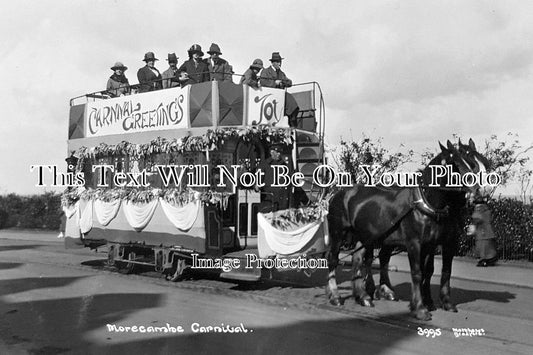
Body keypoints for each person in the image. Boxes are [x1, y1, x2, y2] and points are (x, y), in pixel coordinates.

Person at [260, 52, 299, 127]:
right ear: (273, 63)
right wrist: (274, 83)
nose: (280, 64)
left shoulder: (281, 73)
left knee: (293, 105)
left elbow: (289, 82)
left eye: (280, 62)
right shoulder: (266, 71)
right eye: (278, 62)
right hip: (269, 95)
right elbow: (263, 82)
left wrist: (282, 82)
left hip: (280, 95)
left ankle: (293, 125)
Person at [257, 144, 293, 212]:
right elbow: (258, 183)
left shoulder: (285, 165)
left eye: (280, 152)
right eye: (277, 152)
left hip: (282, 198)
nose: (279, 154)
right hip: (269, 198)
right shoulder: (264, 164)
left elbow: (290, 178)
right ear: (271, 152)